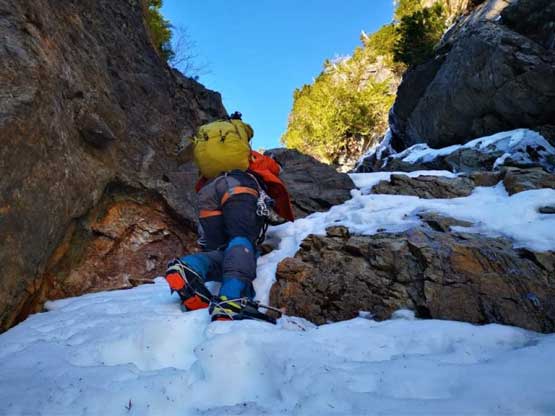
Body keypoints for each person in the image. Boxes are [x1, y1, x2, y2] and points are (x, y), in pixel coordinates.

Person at [165, 112, 294, 321]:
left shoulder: (210, 166)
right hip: (237, 187)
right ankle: (232, 300)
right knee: (242, 238)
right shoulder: (249, 157)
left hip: (207, 193)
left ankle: (188, 267)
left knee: (223, 251)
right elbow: (274, 169)